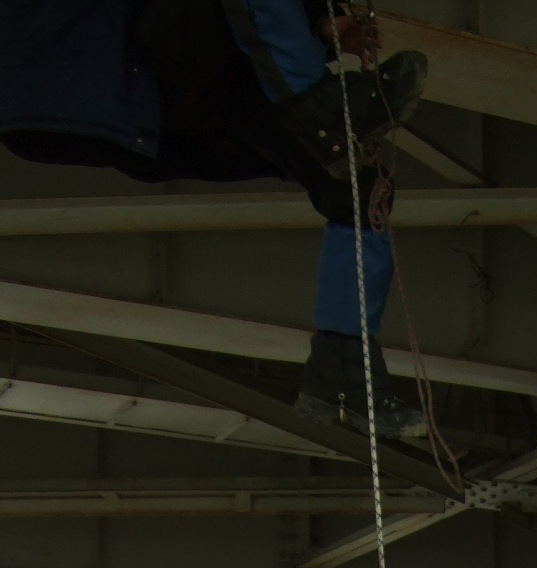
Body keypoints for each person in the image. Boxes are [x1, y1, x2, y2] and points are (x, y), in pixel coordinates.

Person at [0, 0, 428, 437]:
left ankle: (344, 370)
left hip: (106, 88)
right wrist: (313, 91)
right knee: (321, 134)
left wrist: (317, 28)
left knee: (349, 179)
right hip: (100, 68)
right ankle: (321, 110)